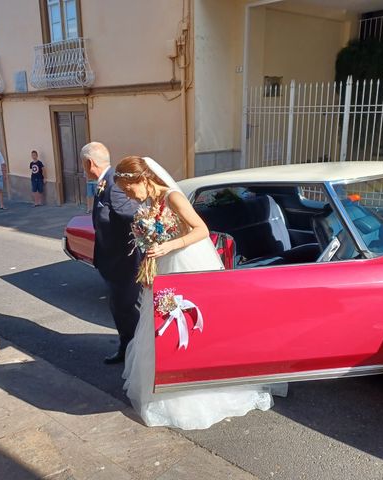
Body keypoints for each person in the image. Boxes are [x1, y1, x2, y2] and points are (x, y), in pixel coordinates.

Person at [114, 156, 287, 430]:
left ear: (143, 180)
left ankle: (196, 386)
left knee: (191, 326)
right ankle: (167, 383)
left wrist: (168, 246)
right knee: (162, 327)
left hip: (186, 265)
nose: (128, 195)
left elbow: (201, 230)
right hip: (166, 266)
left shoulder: (173, 198)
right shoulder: (150, 203)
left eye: (128, 189)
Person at [80, 142, 142, 364]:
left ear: (89, 163)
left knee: (126, 310)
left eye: (83, 164)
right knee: (118, 309)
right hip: (112, 262)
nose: (83, 168)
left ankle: (138, 354)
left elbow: (133, 216)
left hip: (124, 264)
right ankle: (127, 348)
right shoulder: (105, 180)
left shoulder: (115, 184)